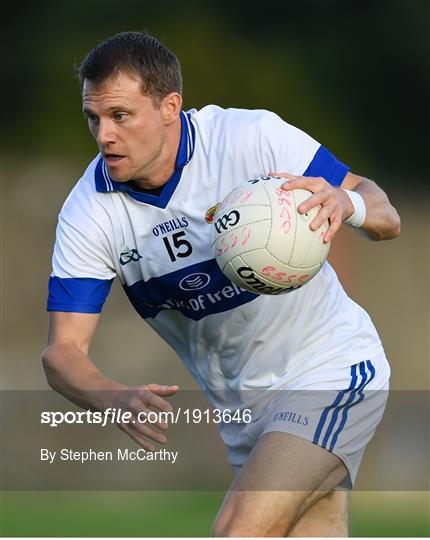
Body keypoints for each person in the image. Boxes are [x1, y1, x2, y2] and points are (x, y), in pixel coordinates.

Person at [42, 31, 400, 537]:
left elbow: (385, 213)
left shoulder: (249, 139)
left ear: (170, 107)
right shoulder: (90, 211)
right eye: (93, 118)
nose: (104, 135)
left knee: (237, 531)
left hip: (330, 372)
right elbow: (61, 352)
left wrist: (348, 203)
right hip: (244, 418)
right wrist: (112, 396)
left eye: (120, 115)